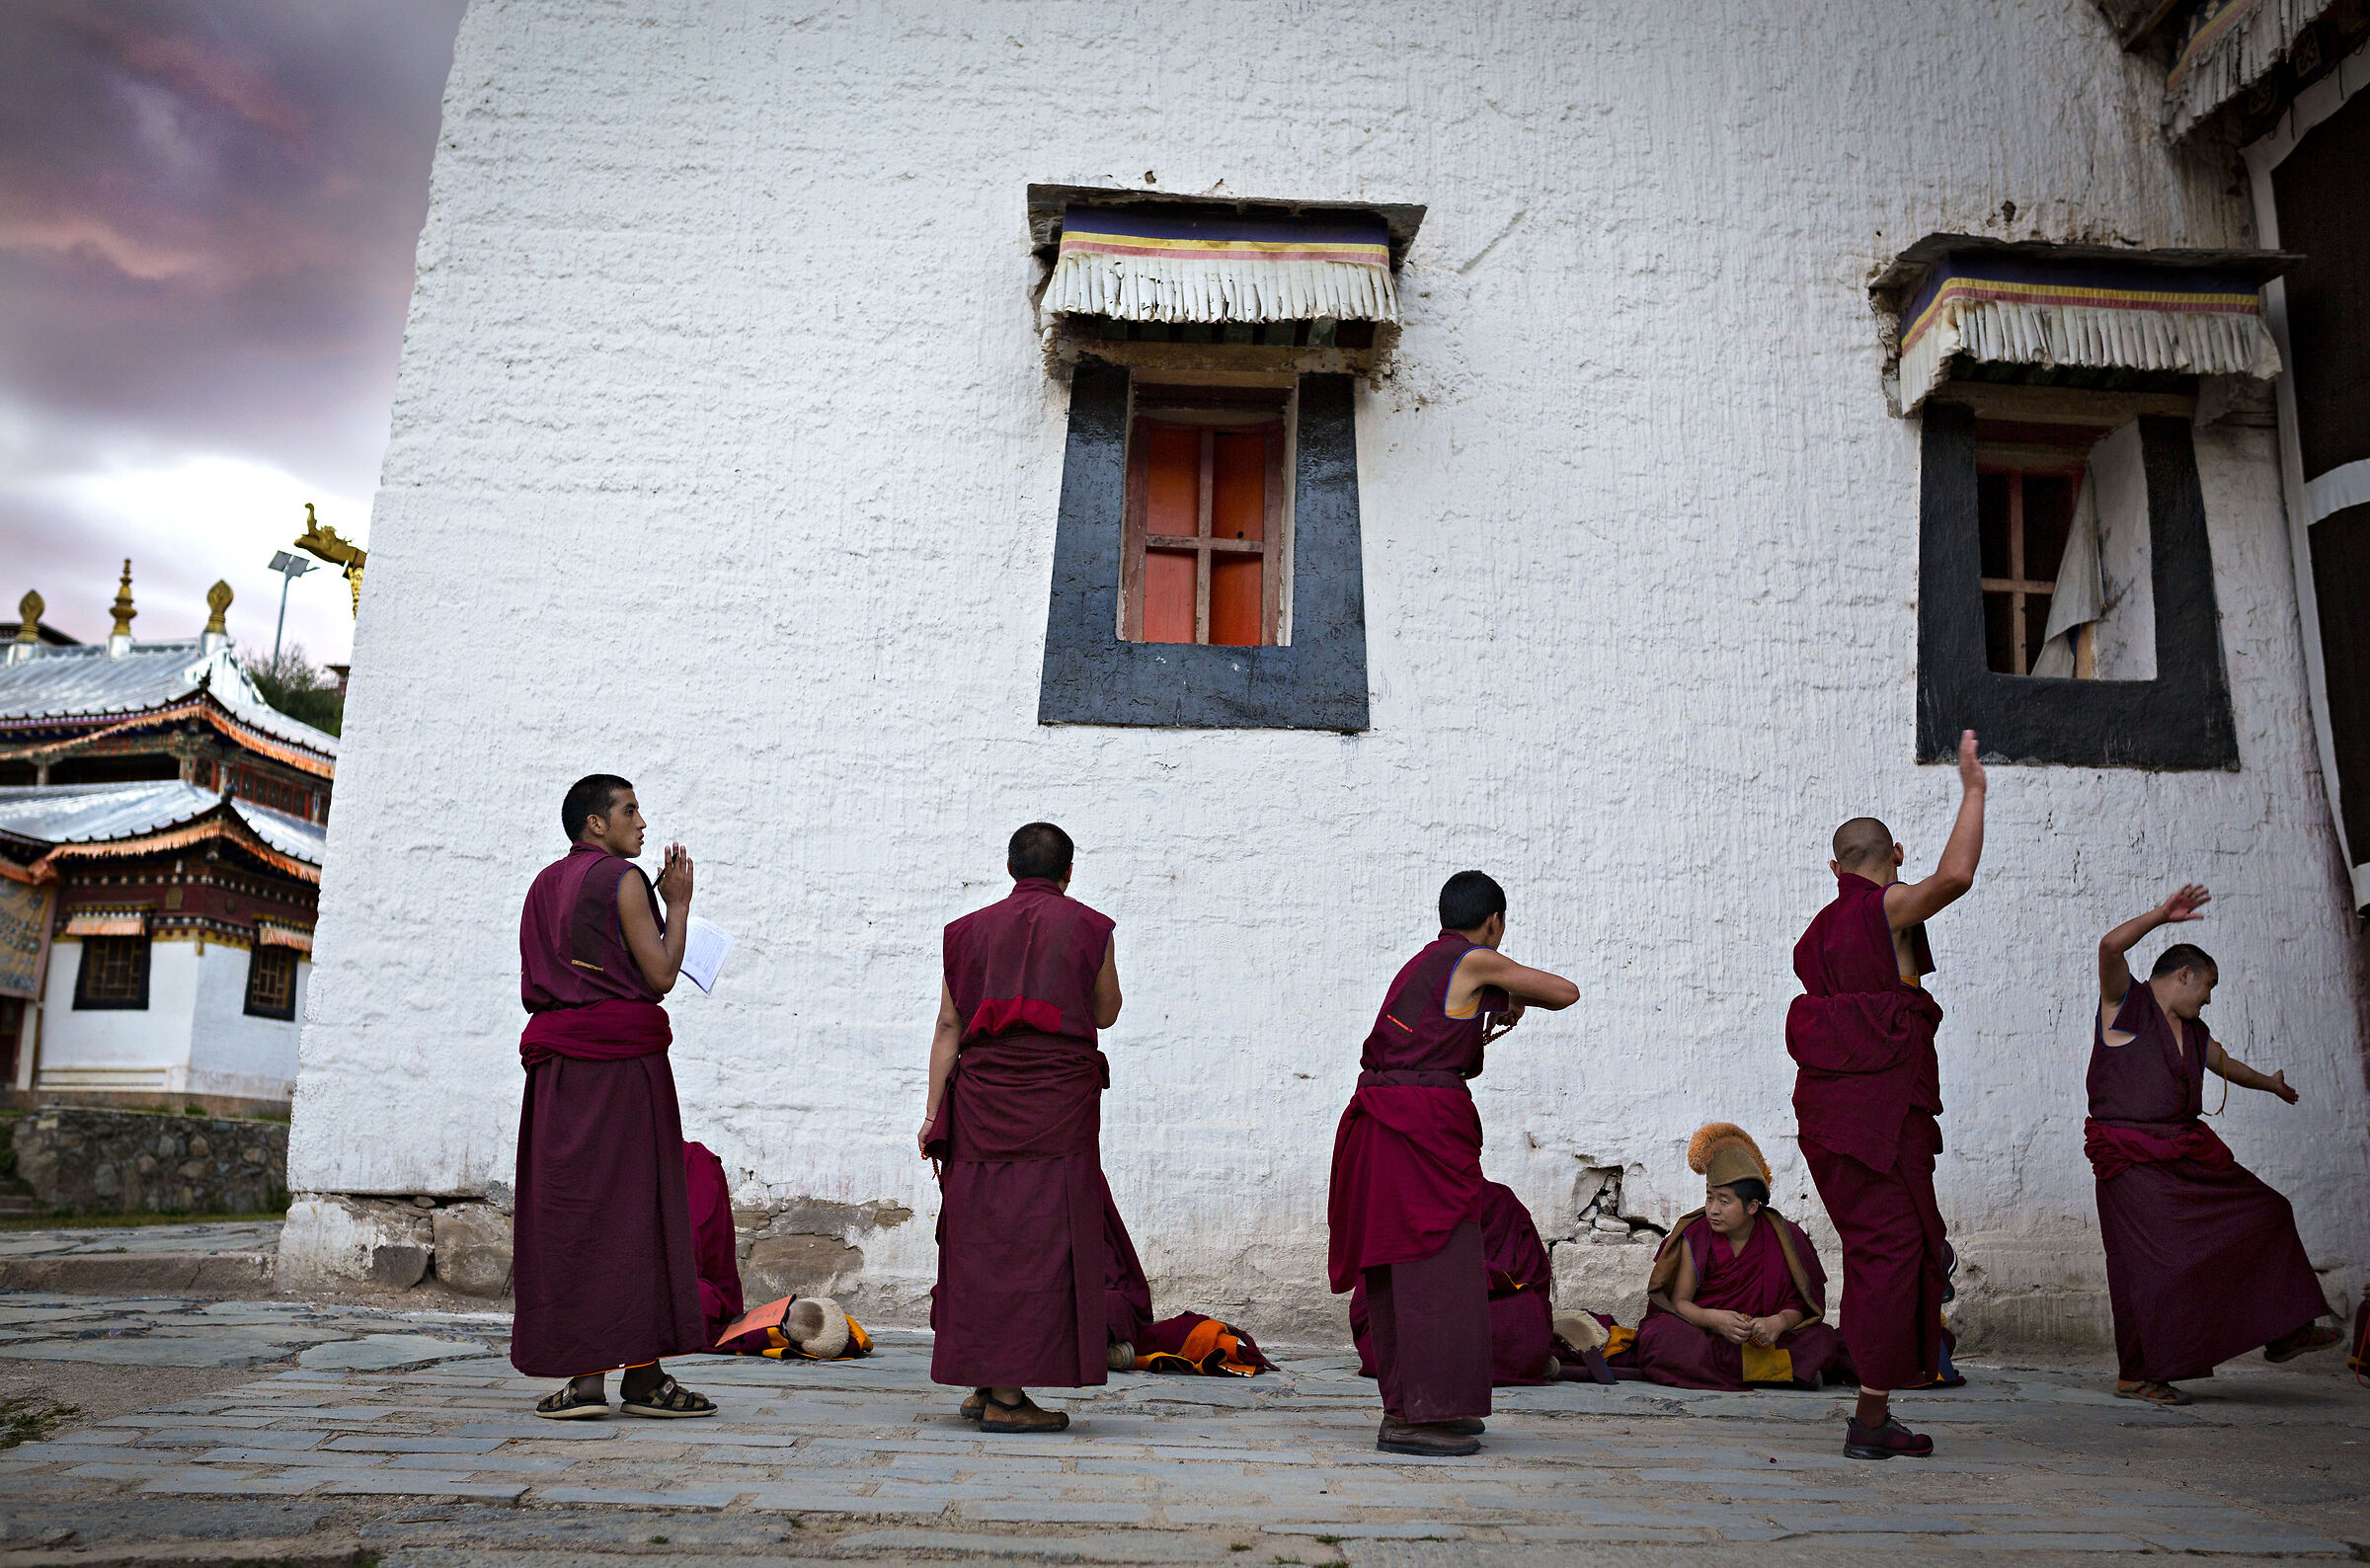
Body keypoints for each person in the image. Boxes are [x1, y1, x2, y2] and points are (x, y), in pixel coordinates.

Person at [1328, 871, 1580, 1457]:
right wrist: (1508, 980)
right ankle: (1412, 1419)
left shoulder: (1428, 963)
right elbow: (1564, 991)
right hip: (1416, 1130)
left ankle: (1428, 1404)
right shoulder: (1470, 959)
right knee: (1430, 1273)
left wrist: (1499, 998)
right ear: (1493, 922)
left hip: (1394, 1127)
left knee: (1427, 1271)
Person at [1787, 729, 1985, 1459]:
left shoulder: (1815, 936)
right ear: (1895, 857)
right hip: (1879, 1117)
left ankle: (1876, 1415)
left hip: (1829, 1113)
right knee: (1895, 1249)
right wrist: (1973, 791)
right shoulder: (1886, 909)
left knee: (1890, 1247)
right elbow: (1957, 878)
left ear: (1832, 866)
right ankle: (1869, 1420)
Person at [513, 774, 715, 1419]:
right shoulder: (622, 880)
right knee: (634, 1212)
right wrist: (677, 904)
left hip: (558, 1074)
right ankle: (646, 1379)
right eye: (630, 810)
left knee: (572, 1215)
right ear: (595, 824)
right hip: (621, 1068)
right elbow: (659, 973)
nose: (642, 822)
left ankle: (584, 1379)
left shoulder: (544, 885)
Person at [2088, 887, 2338, 1404]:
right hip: (2131, 1159)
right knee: (2149, 1266)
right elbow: (2110, 948)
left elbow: (2223, 1063)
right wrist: (2161, 915)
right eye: (2208, 987)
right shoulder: (2125, 1006)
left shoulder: (2194, 1030)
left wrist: (2269, 1083)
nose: (2208, 998)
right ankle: (2137, 1374)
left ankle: (2284, 1330)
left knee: (2267, 1211)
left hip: (2187, 1151)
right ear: (2184, 974)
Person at [921, 822, 1123, 1433]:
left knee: (985, 1233)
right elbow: (1107, 1012)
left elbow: (948, 1027)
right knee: (1040, 1237)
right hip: (1056, 1104)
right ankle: (1007, 1398)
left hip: (984, 1101)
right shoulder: (1091, 927)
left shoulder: (967, 932)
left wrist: (934, 1115)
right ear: (1068, 872)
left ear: (1010, 869)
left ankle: (984, 1382)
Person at [1630, 1123, 1850, 1390]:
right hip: (1708, 1332)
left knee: (1821, 1341)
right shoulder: (1696, 1234)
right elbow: (1680, 1302)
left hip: (1764, 1339)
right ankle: (1779, 1371)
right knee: (1660, 1338)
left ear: (1752, 1206)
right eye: (1709, 1198)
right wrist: (1715, 1320)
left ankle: (1753, 1369)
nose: (1712, 1210)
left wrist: (1778, 1322)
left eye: (1724, 1201)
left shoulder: (1783, 1236)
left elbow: (1803, 1303)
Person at [1349, 1180, 1560, 1390]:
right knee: (1387, 1338)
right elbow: (1381, 1285)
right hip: (1425, 1305)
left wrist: (1482, 1276)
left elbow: (1531, 1278)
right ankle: (1517, 1365)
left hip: (1487, 1302)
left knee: (1522, 1319)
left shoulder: (1500, 1200)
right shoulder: (1411, 1198)